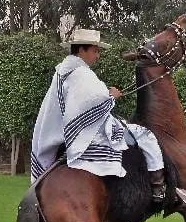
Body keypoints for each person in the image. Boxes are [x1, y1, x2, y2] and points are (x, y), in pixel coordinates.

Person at [30, 28, 166, 201]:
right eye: (95, 51)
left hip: (59, 131)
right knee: (145, 135)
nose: (98, 55)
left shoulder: (64, 70)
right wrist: (112, 96)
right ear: (81, 50)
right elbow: (95, 101)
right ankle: (158, 188)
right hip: (86, 134)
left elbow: (82, 103)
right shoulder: (81, 72)